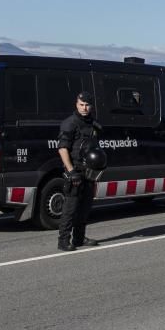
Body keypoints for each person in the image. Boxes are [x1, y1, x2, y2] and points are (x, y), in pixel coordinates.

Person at [57, 91, 101, 251]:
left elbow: (95, 147)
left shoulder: (92, 123)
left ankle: (79, 238)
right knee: (71, 207)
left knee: (85, 207)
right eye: (81, 105)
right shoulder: (70, 123)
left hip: (89, 171)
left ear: (91, 106)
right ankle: (63, 240)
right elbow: (62, 149)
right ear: (76, 104)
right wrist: (71, 171)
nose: (84, 108)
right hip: (74, 170)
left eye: (87, 105)